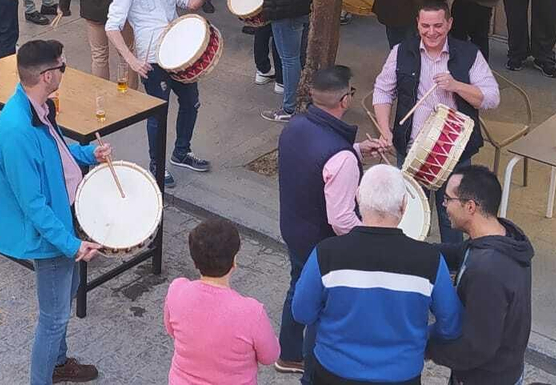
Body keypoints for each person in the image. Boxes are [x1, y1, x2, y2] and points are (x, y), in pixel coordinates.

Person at [0, 39, 112, 385]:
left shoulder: (37, 107)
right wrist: (71, 245)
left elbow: (56, 153)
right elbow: (33, 206)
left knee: (65, 297)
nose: (63, 71)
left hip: (64, 220)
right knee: (53, 317)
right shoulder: (16, 130)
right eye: (62, 67)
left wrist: (88, 154)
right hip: (52, 233)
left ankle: (58, 363)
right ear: (46, 76)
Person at [292, 164, 463, 385]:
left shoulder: (326, 253)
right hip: (402, 376)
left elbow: (302, 312)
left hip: (334, 373)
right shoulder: (430, 260)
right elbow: (451, 325)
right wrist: (420, 337)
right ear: (403, 205)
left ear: (357, 198)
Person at [369, 0, 501, 245]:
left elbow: (492, 98)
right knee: (409, 215)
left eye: (438, 26)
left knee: (453, 218)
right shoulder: (401, 51)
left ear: (449, 23)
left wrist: (457, 86)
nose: (431, 32)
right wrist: (385, 129)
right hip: (410, 149)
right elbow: (382, 91)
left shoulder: (469, 54)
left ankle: (449, 270)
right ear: (417, 23)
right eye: (425, 26)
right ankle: (409, 266)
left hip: (454, 153)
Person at [274, 66, 373, 377]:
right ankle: (312, 369)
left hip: (293, 227)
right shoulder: (340, 157)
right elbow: (342, 219)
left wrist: (356, 150)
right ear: (344, 99)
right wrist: (376, 235)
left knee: (298, 286)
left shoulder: (296, 124)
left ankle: (288, 353)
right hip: (321, 241)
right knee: (320, 304)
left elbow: (315, 165)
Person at [106, 0, 218, 187]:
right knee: (158, 114)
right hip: (153, 59)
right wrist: (131, 60)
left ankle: (181, 152)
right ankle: (156, 164)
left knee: (192, 102)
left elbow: (188, 2)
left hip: (179, 52)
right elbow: (112, 27)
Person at [428, 165, 535, 385]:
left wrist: (426, 348)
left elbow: (476, 348)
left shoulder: (487, 272)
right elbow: (458, 252)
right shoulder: (500, 236)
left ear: (470, 207)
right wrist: (410, 248)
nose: (443, 204)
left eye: (448, 199)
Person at [164, 218, 281, 384]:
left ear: (195, 261)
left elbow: (172, 330)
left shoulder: (177, 290)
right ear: (234, 261)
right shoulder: (251, 312)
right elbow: (270, 356)